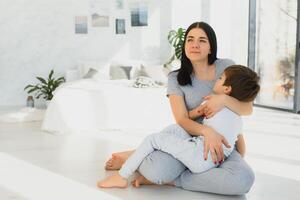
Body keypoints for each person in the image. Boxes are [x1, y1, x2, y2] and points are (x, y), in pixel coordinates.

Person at [103, 22, 255, 195]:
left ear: (211, 47)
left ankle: (171, 177)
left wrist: (223, 100)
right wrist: (207, 132)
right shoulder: (175, 78)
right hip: (188, 137)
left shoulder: (226, 68)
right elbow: (182, 120)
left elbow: (247, 108)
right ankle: (140, 157)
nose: (195, 44)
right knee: (156, 171)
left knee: (243, 181)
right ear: (184, 46)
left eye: (202, 40)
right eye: (190, 39)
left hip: (221, 144)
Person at [97, 65, 260, 188]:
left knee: (153, 139)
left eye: (220, 78)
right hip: (212, 160)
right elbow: (242, 150)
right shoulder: (238, 118)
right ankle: (138, 157)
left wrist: (199, 110)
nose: (217, 79)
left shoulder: (212, 102)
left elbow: (187, 117)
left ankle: (122, 176)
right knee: (174, 130)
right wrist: (223, 158)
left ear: (227, 89)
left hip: (198, 155)